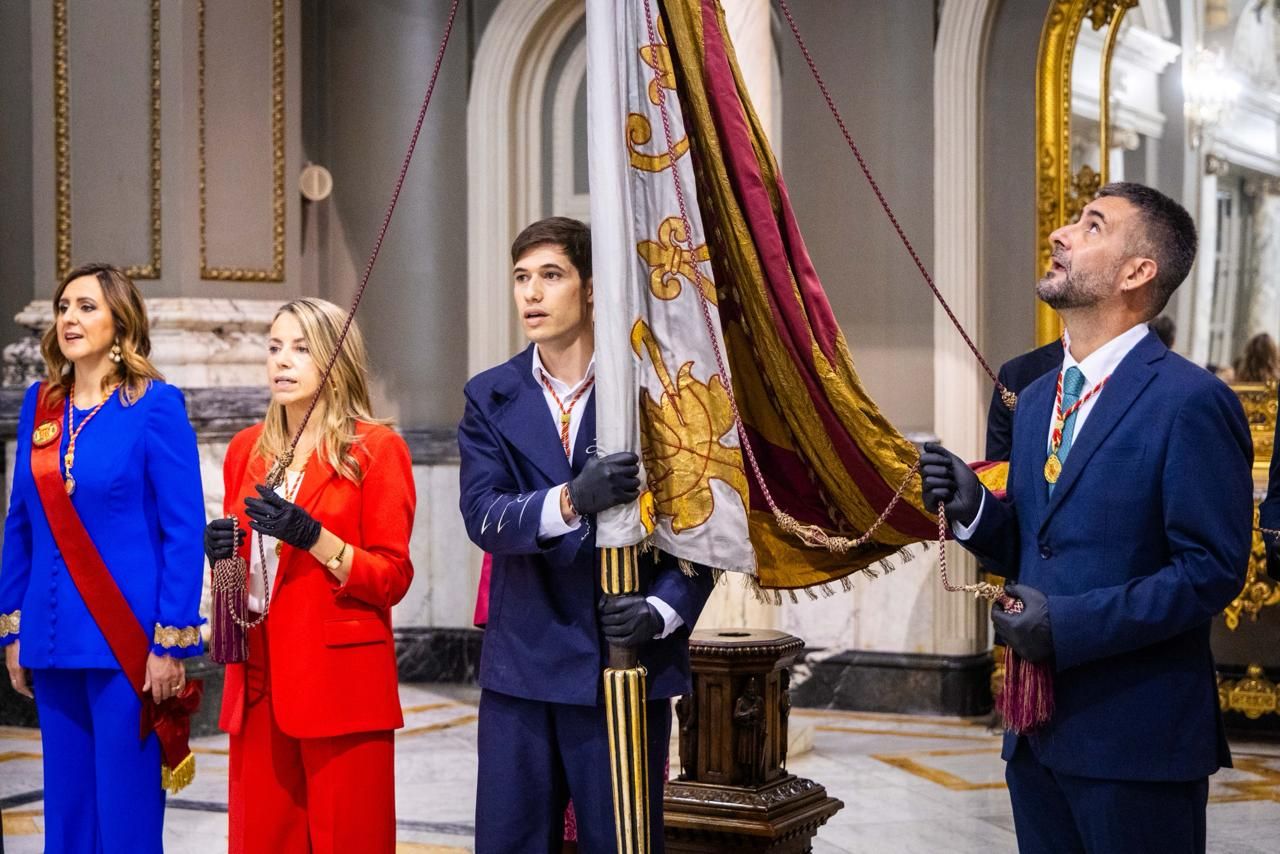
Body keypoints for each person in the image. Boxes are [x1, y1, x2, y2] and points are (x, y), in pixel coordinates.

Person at [921, 183, 1252, 853]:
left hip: (1136, 738)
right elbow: (1040, 543)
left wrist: (1068, 626)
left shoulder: (1191, 401)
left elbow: (1210, 573)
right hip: (1035, 733)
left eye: (1092, 226)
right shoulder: (1039, 395)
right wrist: (974, 511)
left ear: (1137, 272)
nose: (1062, 234)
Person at [458, 217, 714, 853]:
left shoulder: (652, 390)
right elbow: (483, 516)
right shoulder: (490, 395)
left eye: (551, 275)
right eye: (521, 278)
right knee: (510, 843)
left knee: (621, 843)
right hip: (523, 664)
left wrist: (661, 611)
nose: (532, 294)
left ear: (593, 287)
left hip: (624, 663)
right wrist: (573, 500)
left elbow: (702, 520)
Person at [0, 263, 205, 853]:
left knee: (126, 812)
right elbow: (20, 523)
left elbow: (182, 530)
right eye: (64, 307)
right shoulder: (40, 404)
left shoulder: (155, 406)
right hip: (54, 637)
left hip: (127, 641)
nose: (69, 318)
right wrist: (15, 628)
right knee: (67, 810)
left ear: (121, 321)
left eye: (87, 306)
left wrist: (170, 643)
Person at [206, 298, 415, 854]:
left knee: (350, 839)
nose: (282, 360)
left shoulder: (375, 449)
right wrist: (221, 560)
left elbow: (391, 577)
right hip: (258, 682)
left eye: (301, 348)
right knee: (262, 841)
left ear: (335, 360)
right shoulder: (246, 449)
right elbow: (247, 583)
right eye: (274, 347)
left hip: (341, 685)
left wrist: (316, 538)